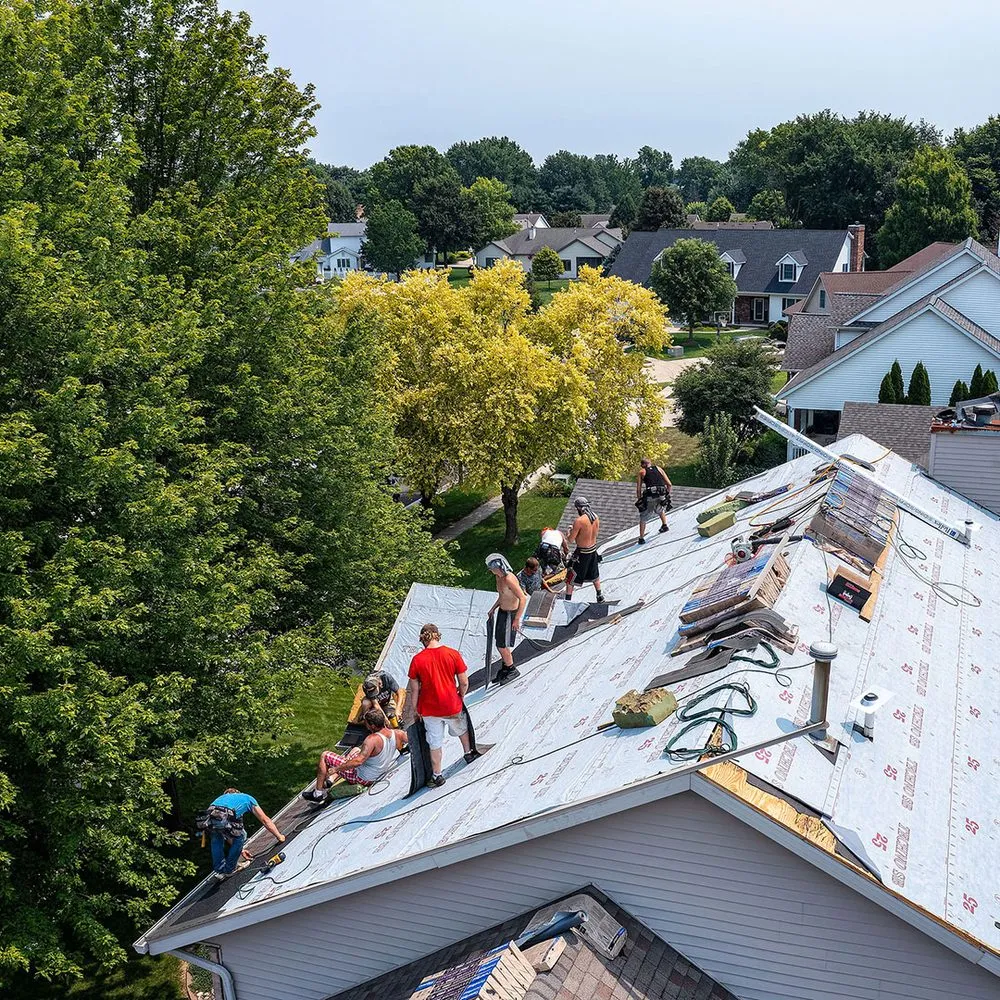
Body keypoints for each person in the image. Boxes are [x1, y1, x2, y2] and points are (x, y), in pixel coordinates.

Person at [406, 623, 478, 787]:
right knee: (461, 729)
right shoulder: (452, 654)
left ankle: (437, 775)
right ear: (438, 635)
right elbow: (464, 682)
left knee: (435, 742)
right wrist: (460, 695)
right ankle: (468, 753)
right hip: (451, 704)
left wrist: (416, 710)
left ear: (423, 639)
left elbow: (414, 690)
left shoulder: (417, 660)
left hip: (429, 709)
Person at [301, 708, 407, 801]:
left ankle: (317, 794)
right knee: (355, 750)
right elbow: (411, 739)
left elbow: (358, 762)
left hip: (363, 778)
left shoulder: (372, 740)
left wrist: (336, 769)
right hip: (379, 771)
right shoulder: (397, 733)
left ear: (373, 725)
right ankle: (331, 779)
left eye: (366, 723)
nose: (365, 726)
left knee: (325, 755)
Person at [205, 788, 284, 881]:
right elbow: (265, 820)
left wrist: (241, 850)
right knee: (241, 836)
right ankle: (229, 869)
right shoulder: (248, 798)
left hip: (209, 815)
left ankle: (220, 869)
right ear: (238, 793)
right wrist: (279, 836)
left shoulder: (222, 799)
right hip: (225, 813)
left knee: (217, 839)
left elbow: (229, 835)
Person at [486, 553, 527, 685]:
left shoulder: (509, 579)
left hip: (511, 614)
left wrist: (517, 619)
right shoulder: (498, 578)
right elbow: (502, 596)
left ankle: (512, 669)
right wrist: (493, 608)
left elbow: (523, 598)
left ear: (498, 567)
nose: (490, 571)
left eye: (492, 568)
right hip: (502, 612)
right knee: (499, 642)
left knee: (502, 645)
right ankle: (505, 667)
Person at [564, 496, 604, 602]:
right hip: (593, 550)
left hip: (582, 553)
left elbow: (571, 540)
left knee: (570, 576)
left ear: (578, 508)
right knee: (594, 574)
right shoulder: (595, 517)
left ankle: (567, 600)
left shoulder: (579, 521)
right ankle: (600, 596)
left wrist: (569, 531)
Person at [636, 458, 673, 544]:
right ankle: (664, 525)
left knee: (643, 516)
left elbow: (638, 489)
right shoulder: (659, 468)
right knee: (659, 508)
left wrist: (640, 500)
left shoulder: (642, 472)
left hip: (650, 496)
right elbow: (669, 484)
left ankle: (641, 538)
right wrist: (666, 496)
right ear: (650, 463)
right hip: (661, 494)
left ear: (643, 464)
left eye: (641, 465)